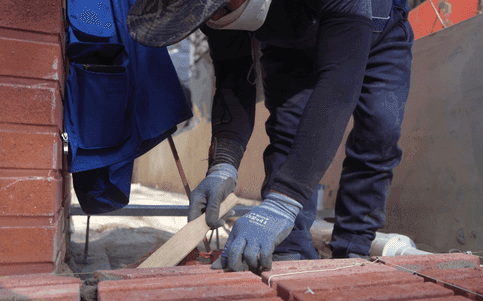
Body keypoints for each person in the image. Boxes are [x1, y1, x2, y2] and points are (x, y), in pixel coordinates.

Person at [127, 0, 414, 273]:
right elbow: (233, 77)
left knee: (379, 130)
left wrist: (283, 203)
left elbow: (339, 84)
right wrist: (223, 163)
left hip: (376, 34)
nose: (216, 17)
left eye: (223, 7)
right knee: (287, 134)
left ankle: (353, 246)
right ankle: (289, 251)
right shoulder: (212, 11)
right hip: (291, 47)